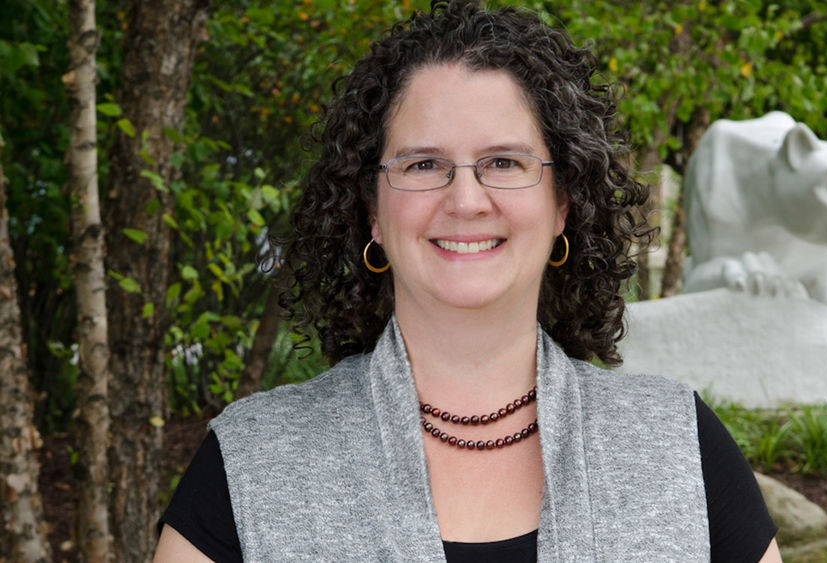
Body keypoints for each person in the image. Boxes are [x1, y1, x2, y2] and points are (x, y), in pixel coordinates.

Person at [154, 1, 782, 561]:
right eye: (424, 163)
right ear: (372, 209)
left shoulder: (679, 446)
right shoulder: (250, 462)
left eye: (503, 162)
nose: (466, 199)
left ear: (563, 203)